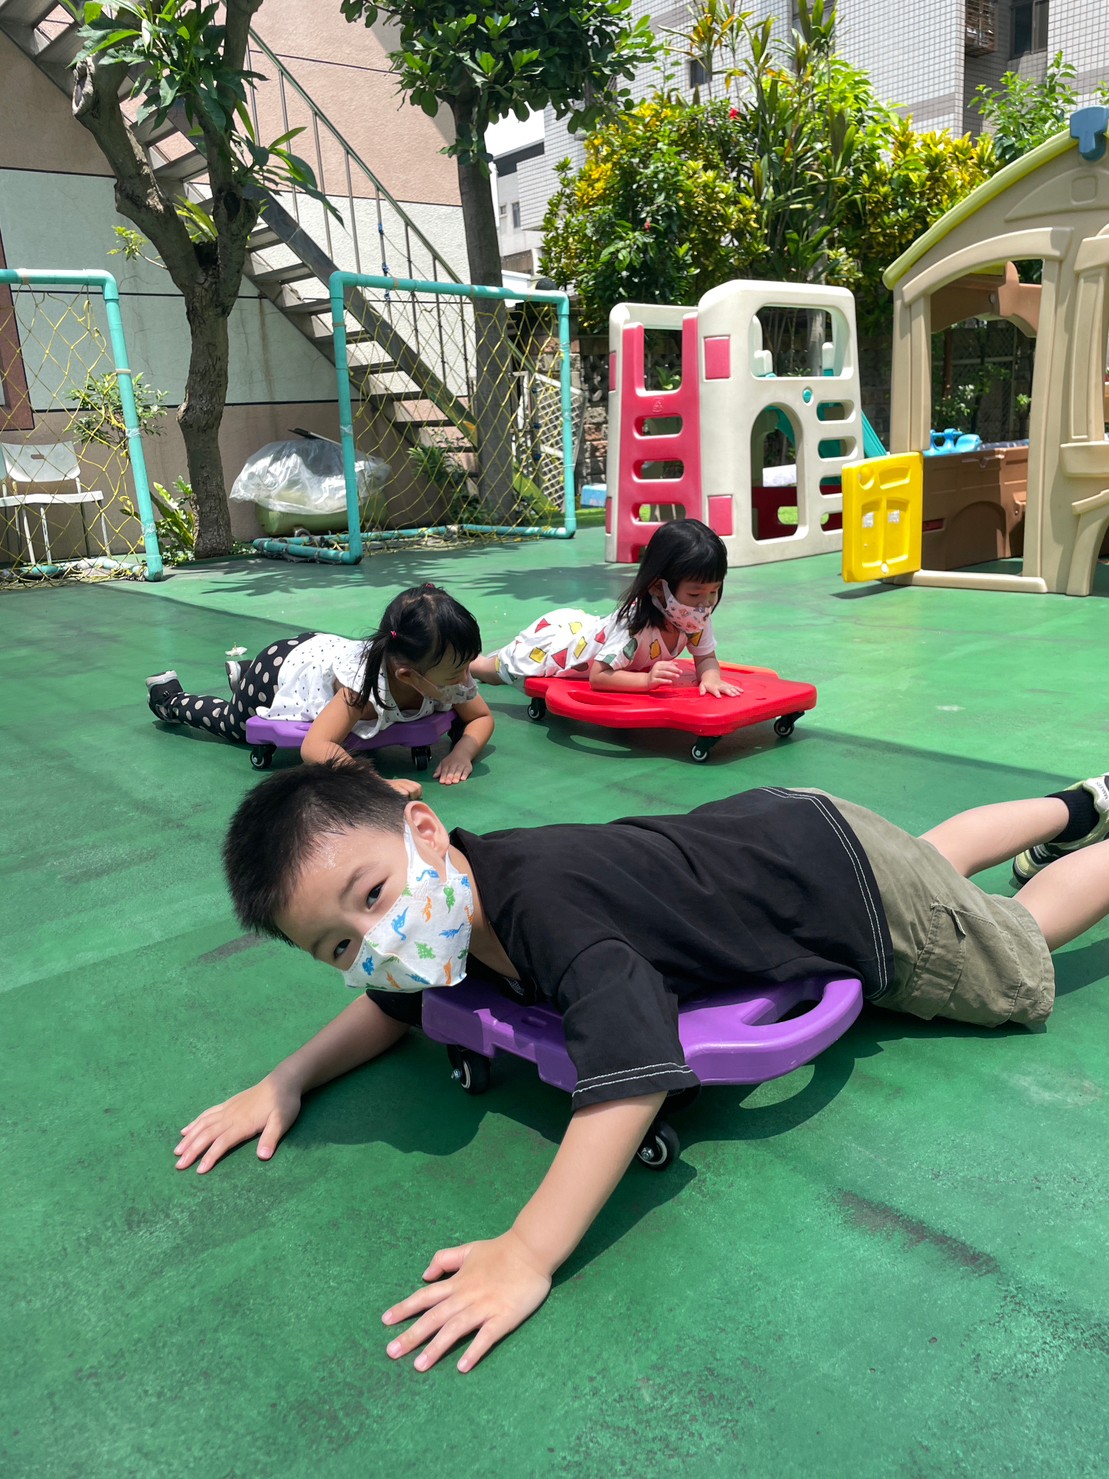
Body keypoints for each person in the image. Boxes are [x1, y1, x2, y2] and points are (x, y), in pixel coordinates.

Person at [173, 764, 1109, 1374]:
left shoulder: (544, 910)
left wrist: (526, 1251)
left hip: (842, 891)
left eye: (372, 896)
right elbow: (390, 1006)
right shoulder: (451, 904)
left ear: (424, 828)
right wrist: (286, 1080)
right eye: (340, 946)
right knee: (927, 864)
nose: (377, 941)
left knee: (1012, 941)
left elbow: (633, 1069)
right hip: (797, 829)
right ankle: (1083, 801)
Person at [144, 584, 494, 792]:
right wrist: (374, 784)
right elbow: (316, 746)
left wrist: (462, 753)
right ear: (407, 676)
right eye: (457, 672)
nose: (466, 678)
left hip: (321, 654)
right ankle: (170, 698)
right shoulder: (360, 692)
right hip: (279, 667)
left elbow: (480, 718)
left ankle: (242, 675)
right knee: (234, 725)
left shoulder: (443, 674)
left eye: (468, 665)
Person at [470, 519, 742, 697]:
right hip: (556, 649)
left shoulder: (694, 615)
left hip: (587, 630)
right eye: (695, 593)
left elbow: (705, 657)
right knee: (494, 671)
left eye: (714, 590)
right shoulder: (634, 627)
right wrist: (645, 682)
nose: (707, 602)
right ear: (658, 587)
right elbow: (599, 676)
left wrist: (711, 678)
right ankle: (468, 661)